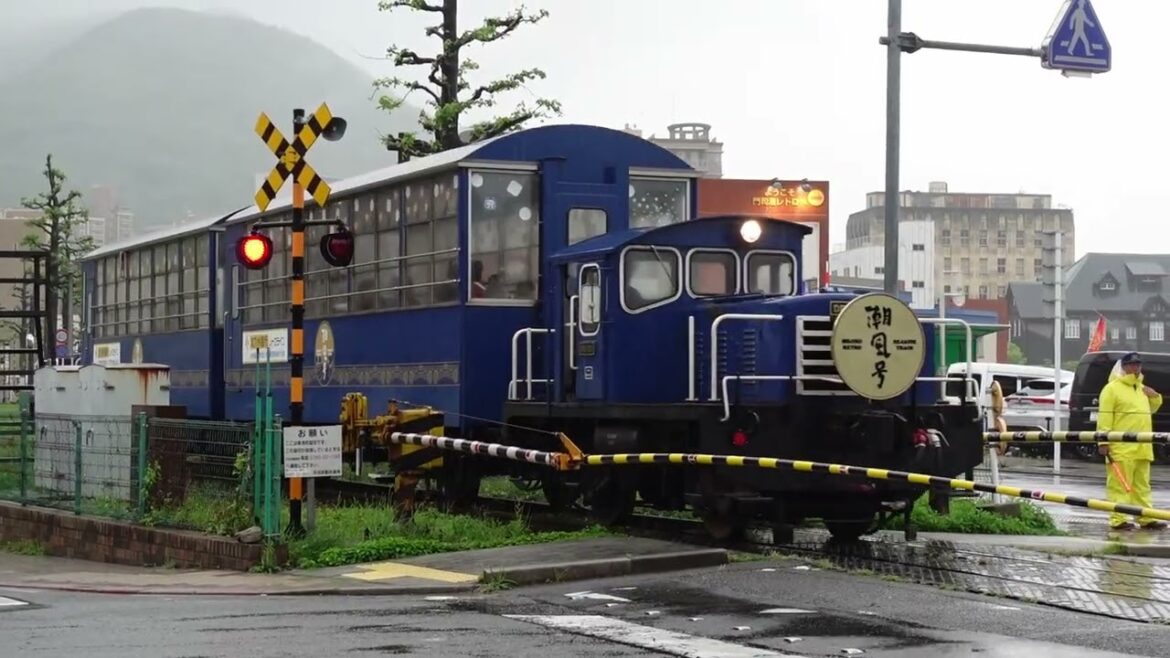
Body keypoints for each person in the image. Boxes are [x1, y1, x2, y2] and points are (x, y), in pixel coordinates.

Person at [1096, 352, 1167, 530]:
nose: (1136, 368)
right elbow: (1104, 417)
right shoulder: (1111, 389)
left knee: (1142, 486)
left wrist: (1155, 397)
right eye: (1132, 365)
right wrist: (1103, 442)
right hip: (1121, 447)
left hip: (1142, 447)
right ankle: (1118, 519)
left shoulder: (1141, 388)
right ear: (1124, 367)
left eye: (1138, 365)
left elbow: (1149, 411)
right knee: (1119, 485)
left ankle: (1145, 517)